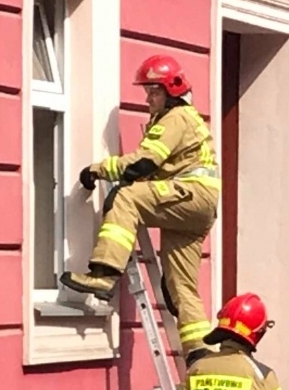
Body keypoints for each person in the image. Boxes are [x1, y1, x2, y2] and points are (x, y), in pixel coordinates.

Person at [60, 54, 219, 358]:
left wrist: (98, 169)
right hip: (198, 206)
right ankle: (199, 355)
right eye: (147, 91)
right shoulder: (186, 119)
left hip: (189, 193)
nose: (148, 97)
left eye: (154, 91)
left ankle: (103, 275)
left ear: (172, 91)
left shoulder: (176, 118)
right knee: (181, 287)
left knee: (128, 197)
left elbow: (145, 161)